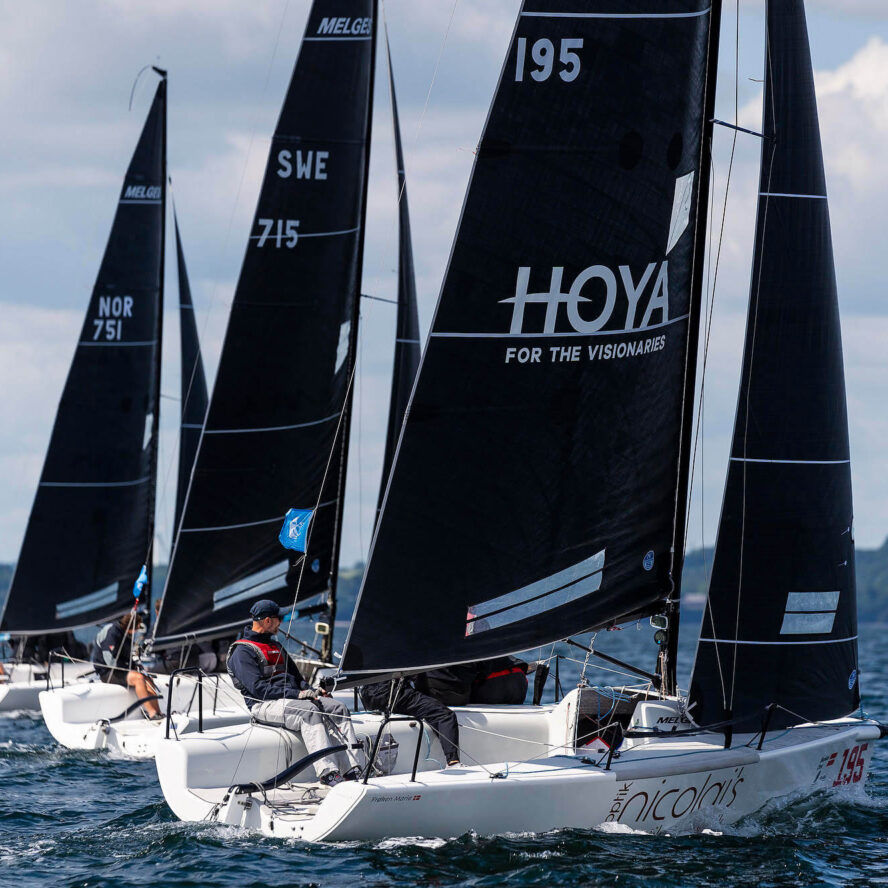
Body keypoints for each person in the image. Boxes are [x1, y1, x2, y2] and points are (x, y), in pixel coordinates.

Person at [227, 599, 365, 787]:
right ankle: (328, 773)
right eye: (279, 619)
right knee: (309, 711)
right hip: (263, 705)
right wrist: (297, 695)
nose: (281, 623)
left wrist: (312, 691)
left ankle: (352, 769)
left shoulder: (276, 646)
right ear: (268, 621)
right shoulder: (242, 652)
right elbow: (258, 689)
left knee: (338, 708)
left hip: (291, 700)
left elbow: (298, 679)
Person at [361, 677, 461, 767]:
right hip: (393, 694)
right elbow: (418, 679)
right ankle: (452, 761)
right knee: (445, 715)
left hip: (368, 695)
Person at [91, 612, 161, 719]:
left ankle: (158, 712)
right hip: (107, 672)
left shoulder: (127, 634)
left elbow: (126, 657)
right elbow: (111, 661)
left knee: (149, 680)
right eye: (137, 627)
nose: (137, 630)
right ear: (132, 626)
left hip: (121, 670)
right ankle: (152, 713)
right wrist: (130, 668)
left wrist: (135, 666)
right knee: (139, 678)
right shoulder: (112, 633)